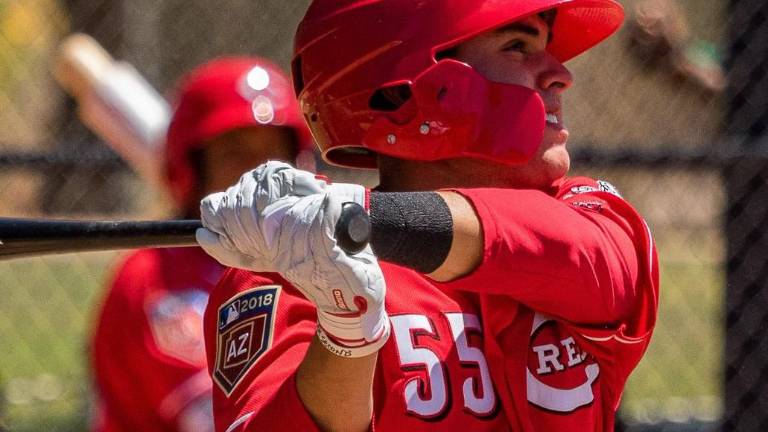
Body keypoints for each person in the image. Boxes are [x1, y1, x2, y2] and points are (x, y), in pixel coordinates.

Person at [197, 1, 659, 431]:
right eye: (518, 47)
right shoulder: (292, 269)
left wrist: (358, 219)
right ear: (405, 88)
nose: (561, 74)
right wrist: (345, 332)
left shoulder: (588, 213)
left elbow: (589, 261)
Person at [89, 56, 313, 432]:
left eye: (275, 153)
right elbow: (215, 420)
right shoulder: (154, 281)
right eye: (235, 155)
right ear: (193, 169)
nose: (261, 174)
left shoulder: (319, 259)